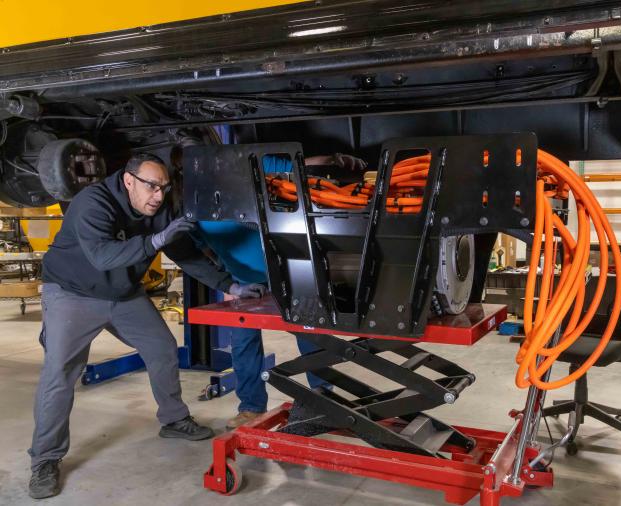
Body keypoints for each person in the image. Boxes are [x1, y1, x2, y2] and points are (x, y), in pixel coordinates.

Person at [28, 153, 263, 499]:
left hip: (123, 294)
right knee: (60, 372)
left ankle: (173, 420)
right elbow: (103, 256)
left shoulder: (159, 209)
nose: (158, 195)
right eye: (152, 186)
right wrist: (155, 241)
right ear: (128, 180)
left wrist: (231, 286)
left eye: (164, 188)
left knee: (162, 348)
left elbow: (185, 254)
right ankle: (44, 460)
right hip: (72, 293)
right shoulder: (93, 202)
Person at [193, 152, 367, 430]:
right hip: (244, 278)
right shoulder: (195, 207)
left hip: (287, 269)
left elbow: (303, 164)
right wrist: (226, 283)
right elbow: (199, 252)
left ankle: (322, 396)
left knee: (310, 331)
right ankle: (251, 408)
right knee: (243, 340)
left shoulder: (253, 165)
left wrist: (333, 159)